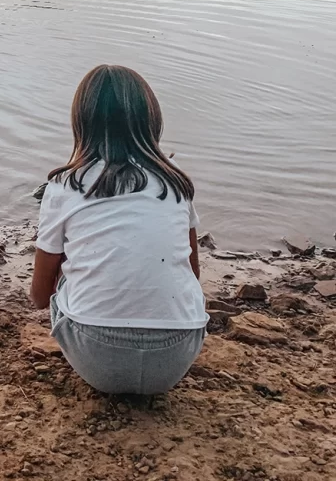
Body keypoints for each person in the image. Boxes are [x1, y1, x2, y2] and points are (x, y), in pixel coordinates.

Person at [30, 64, 208, 395]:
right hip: (175, 356)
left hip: (97, 357)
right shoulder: (176, 183)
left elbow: (40, 296)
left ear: (81, 123)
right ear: (151, 120)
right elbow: (192, 275)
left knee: (70, 270)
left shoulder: (65, 186)